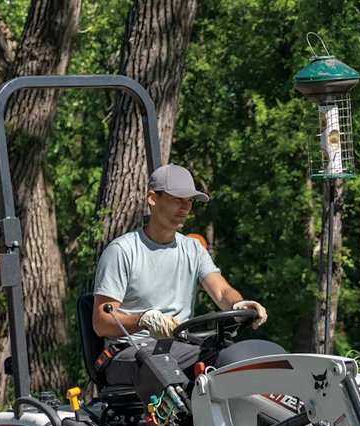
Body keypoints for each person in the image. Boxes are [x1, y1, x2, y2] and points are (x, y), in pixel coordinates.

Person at [92, 163, 267, 390]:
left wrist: (239, 304)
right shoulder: (122, 251)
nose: (186, 207)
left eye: (190, 201)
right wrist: (143, 319)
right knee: (163, 367)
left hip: (177, 348)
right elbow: (101, 322)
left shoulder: (192, 249)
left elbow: (222, 291)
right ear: (153, 199)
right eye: (178, 199)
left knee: (232, 360)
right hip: (128, 352)